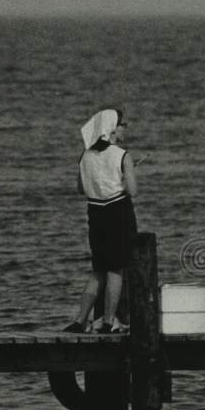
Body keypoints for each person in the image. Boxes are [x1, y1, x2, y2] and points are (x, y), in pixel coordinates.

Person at [65, 108, 138, 334]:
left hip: (95, 215)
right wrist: (123, 180)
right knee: (116, 270)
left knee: (98, 270)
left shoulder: (85, 155)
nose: (125, 129)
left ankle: (79, 320)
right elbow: (133, 191)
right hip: (118, 213)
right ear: (112, 128)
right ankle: (108, 322)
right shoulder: (122, 155)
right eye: (122, 125)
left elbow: (81, 188)